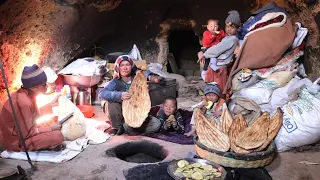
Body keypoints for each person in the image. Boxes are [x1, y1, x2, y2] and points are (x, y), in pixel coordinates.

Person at [0, 64, 64, 152]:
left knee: (49, 124)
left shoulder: (25, 93)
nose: (46, 87)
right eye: (44, 85)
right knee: (58, 136)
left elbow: (31, 115)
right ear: (34, 87)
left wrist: (49, 106)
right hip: (17, 142)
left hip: (24, 133)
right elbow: (26, 134)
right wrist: (50, 128)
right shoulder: (24, 102)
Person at [99, 55, 162, 135]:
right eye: (122, 65)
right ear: (118, 68)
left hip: (135, 112)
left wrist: (152, 79)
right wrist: (119, 95)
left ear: (131, 67)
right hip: (121, 113)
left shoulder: (137, 78)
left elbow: (147, 74)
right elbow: (102, 93)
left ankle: (126, 128)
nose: (125, 68)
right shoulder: (115, 82)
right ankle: (117, 126)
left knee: (156, 124)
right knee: (111, 102)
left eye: (127, 65)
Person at [198, 10, 241, 93]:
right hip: (217, 67)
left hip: (219, 69)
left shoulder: (232, 39)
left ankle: (220, 104)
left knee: (218, 90)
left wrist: (205, 54)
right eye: (227, 26)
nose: (229, 29)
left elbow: (217, 49)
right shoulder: (227, 38)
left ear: (237, 28)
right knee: (214, 90)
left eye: (232, 27)